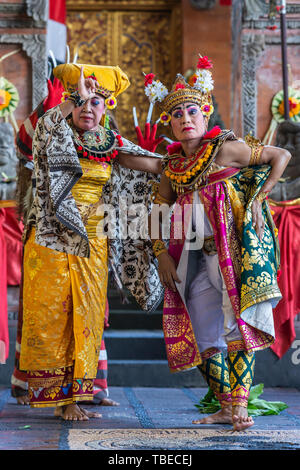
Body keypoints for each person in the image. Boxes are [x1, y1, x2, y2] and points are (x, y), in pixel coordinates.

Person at [146, 55, 291, 431]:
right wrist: (160, 253)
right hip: (192, 258)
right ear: (171, 124)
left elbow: (281, 155)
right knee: (200, 331)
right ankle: (225, 406)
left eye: (192, 111)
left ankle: (240, 407)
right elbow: (157, 208)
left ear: (206, 114)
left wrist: (261, 196)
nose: (184, 120)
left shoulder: (226, 149)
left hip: (231, 254)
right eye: (176, 116)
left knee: (236, 327)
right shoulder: (173, 164)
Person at [19, 63, 162, 421]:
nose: (88, 108)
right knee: (54, 315)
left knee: (87, 315)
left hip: (93, 240)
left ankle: (76, 395)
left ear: (107, 107)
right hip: (52, 236)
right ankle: (59, 398)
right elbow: (41, 129)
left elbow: (155, 166)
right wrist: (73, 98)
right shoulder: (54, 135)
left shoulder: (112, 144)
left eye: (96, 102)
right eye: (80, 101)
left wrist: (204, 160)